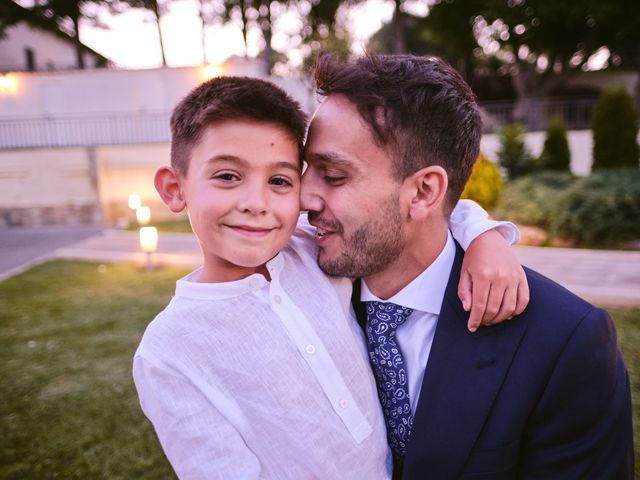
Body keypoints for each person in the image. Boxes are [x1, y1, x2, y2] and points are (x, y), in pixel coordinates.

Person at [133, 75, 526, 479]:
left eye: (280, 181)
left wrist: (484, 238)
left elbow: (414, 210)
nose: (256, 203)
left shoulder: (309, 249)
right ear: (174, 188)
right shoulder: (168, 350)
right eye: (228, 177)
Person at [301, 53, 634, 480]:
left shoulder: (565, 346)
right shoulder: (292, 291)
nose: (303, 198)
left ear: (423, 191)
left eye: (332, 175)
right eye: (303, 170)